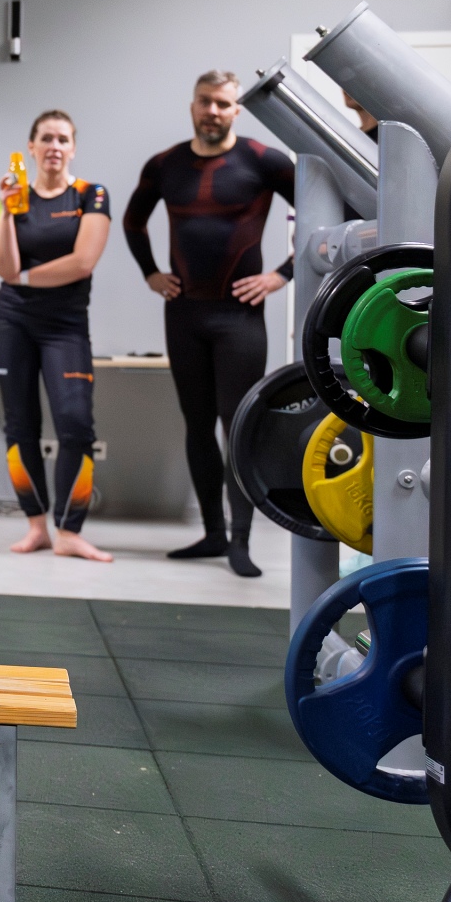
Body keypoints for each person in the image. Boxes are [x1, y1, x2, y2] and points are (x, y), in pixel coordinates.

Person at [124, 71, 294, 578]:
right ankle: (213, 533)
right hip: (184, 315)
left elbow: (320, 215)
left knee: (237, 425)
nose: (213, 111)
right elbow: (133, 222)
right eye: (205, 101)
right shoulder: (164, 164)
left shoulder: (263, 160)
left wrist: (280, 276)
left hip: (239, 317)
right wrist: (151, 273)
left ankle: (241, 541)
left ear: (236, 109)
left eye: (223, 103)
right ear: (193, 105)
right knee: (197, 424)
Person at [0, 112, 112, 562]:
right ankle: (37, 526)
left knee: (76, 425)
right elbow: (3, 266)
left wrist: (23, 276)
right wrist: (6, 209)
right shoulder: (13, 198)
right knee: (20, 425)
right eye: (46, 138)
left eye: (63, 139)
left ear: (72, 148)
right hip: (11, 322)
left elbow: (82, 262)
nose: (54, 146)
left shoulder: (92, 195)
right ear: (32, 147)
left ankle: (69, 531)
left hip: (65, 327)